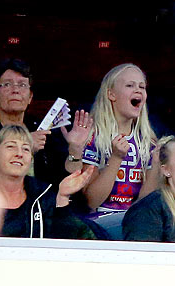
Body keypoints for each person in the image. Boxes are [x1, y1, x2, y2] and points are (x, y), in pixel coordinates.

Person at [67, 62, 160, 237]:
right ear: (111, 94)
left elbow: (145, 204)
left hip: (136, 222)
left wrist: (155, 165)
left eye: (142, 86)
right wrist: (116, 158)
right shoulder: (93, 137)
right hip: (100, 221)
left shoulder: (148, 141)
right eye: (130, 85)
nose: (138, 90)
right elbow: (92, 201)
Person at [0, 57, 69, 185]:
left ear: (30, 97)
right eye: (7, 84)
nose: (15, 90)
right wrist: (26, 145)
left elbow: (59, 178)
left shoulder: (41, 128)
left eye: (22, 85)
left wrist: (75, 148)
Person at [0, 124, 96, 239]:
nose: (19, 154)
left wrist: (63, 197)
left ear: (30, 159)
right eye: (11, 146)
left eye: (26, 149)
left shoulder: (43, 197)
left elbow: (63, 241)